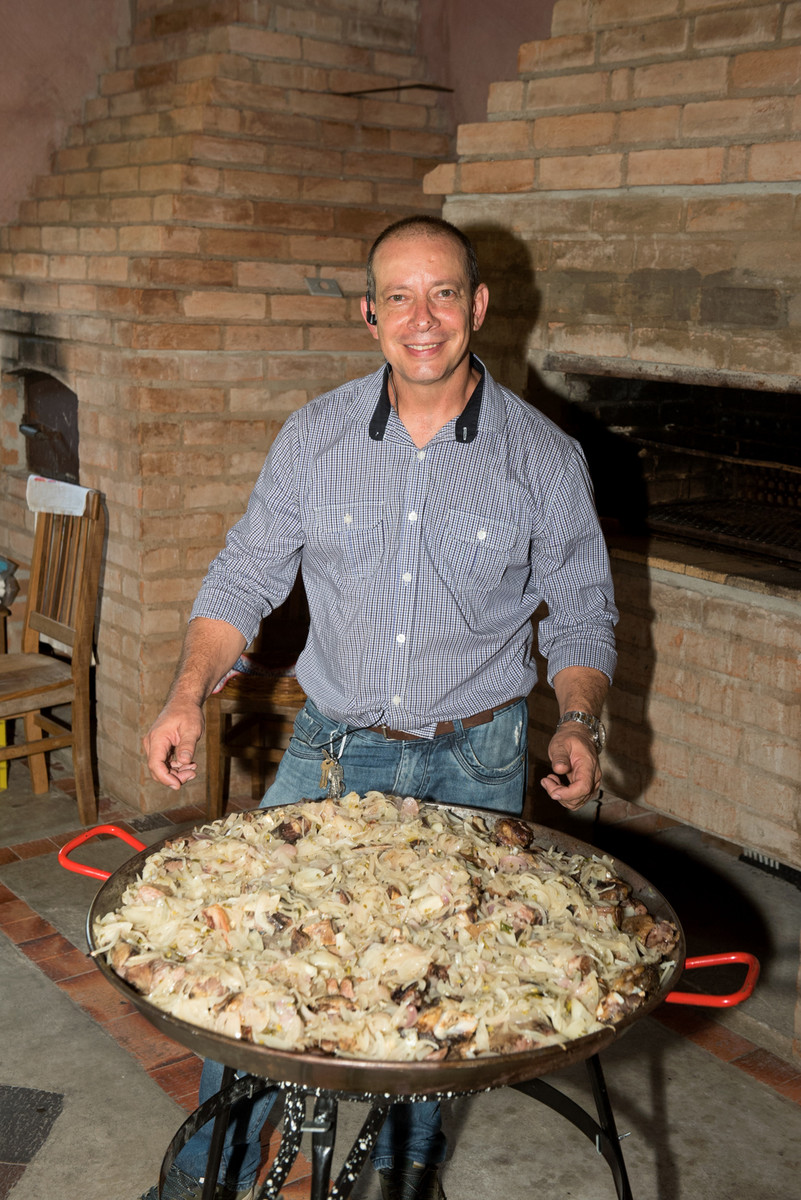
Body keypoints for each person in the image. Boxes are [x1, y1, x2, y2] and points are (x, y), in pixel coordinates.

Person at [141, 215, 617, 1200]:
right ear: (369, 316)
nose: (423, 318)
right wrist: (186, 692)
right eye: (398, 296)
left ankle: (398, 1186)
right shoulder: (313, 438)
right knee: (256, 967)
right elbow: (243, 578)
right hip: (331, 752)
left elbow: (581, 613)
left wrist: (578, 719)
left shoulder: (544, 459)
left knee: (435, 1006)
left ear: (478, 306)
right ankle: (200, 1181)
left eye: (443, 292)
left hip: (475, 764)